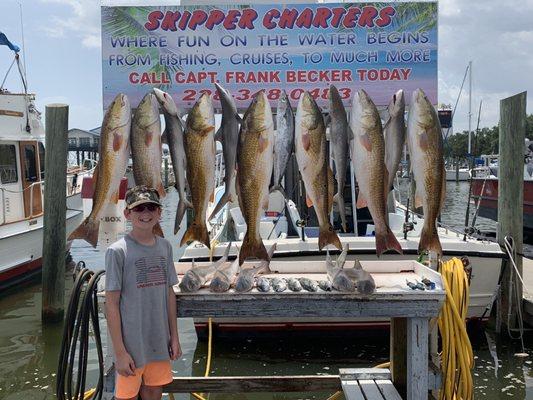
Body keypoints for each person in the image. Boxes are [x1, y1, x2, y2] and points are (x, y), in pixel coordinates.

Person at [105, 185, 181, 400]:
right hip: (131, 345)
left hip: (159, 340)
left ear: (159, 213)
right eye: (139, 209)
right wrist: (120, 352)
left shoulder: (165, 247)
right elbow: (111, 304)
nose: (145, 214)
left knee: (154, 390)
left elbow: (169, 294)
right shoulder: (117, 251)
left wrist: (174, 337)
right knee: (126, 396)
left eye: (151, 208)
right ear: (127, 213)